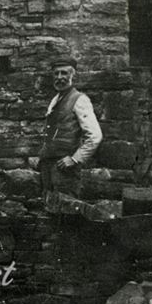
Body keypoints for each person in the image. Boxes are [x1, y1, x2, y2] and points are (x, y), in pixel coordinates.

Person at [38, 57, 103, 200]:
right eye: (56, 74)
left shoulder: (80, 99)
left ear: (73, 75)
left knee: (67, 209)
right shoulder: (55, 100)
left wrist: (75, 159)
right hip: (48, 166)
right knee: (49, 207)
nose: (59, 77)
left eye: (64, 73)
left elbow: (95, 136)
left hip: (65, 169)